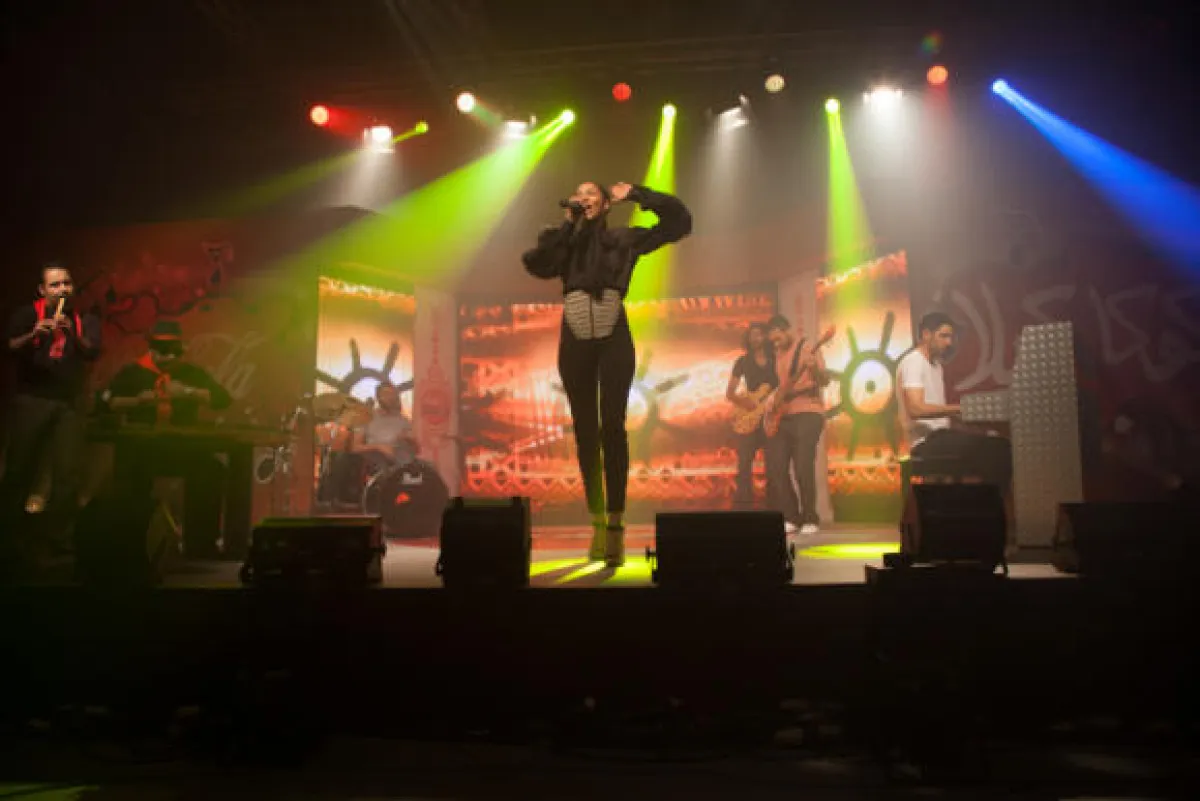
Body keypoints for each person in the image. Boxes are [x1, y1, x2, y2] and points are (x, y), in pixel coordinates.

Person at [522, 180, 692, 566]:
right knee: (584, 430)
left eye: (591, 194)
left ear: (605, 203)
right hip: (575, 337)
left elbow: (680, 223)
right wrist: (568, 226)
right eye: (578, 193)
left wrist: (638, 193)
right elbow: (537, 264)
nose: (583, 198)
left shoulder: (623, 239)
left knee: (611, 427)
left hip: (613, 333)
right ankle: (596, 521)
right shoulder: (562, 242)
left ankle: (616, 523)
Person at [101, 320, 233, 558]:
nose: (170, 357)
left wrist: (188, 392)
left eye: (175, 351)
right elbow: (107, 402)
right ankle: (131, 544)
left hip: (181, 449)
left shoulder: (191, 373)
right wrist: (138, 401)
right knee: (128, 473)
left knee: (211, 470)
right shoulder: (133, 372)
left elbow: (222, 399)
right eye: (164, 351)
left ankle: (201, 545)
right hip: (142, 449)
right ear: (151, 349)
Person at [3, 262, 101, 554]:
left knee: (67, 474)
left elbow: (92, 351)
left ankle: (57, 540)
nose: (62, 290)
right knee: (20, 468)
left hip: (68, 403)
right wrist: (34, 333)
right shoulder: (27, 314)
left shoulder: (84, 319)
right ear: (42, 290)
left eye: (66, 284)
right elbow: (9, 347)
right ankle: (10, 536)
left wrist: (74, 335)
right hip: (32, 400)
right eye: (55, 285)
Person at [896, 311, 1012, 490]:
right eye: (943, 336)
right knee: (997, 449)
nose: (948, 342)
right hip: (925, 442)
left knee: (997, 442)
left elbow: (939, 412)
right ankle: (991, 501)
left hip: (941, 436)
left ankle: (982, 501)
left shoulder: (937, 366)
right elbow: (915, 409)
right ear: (926, 334)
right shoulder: (914, 362)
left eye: (950, 337)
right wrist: (957, 409)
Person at [763, 316, 829, 536]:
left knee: (802, 466)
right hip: (784, 414)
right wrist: (773, 401)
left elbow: (824, 380)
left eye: (778, 338)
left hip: (808, 411)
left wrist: (814, 369)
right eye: (773, 341)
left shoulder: (808, 347)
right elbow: (783, 386)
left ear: (787, 330)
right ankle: (791, 516)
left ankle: (810, 517)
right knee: (777, 466)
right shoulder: (777, 353)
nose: (776, 344)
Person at [725, 322, 777, 507]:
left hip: (771, 416)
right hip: (750, 416)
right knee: (744, 463)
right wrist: (744, 402)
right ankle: (744, 505)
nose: (756, 338)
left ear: (765, 337)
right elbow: (730, 393)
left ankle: (774, 506)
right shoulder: (742, 362)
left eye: (759, 334)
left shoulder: (776, 359)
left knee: (774, 463)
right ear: (747, 339)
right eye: (752, 335)